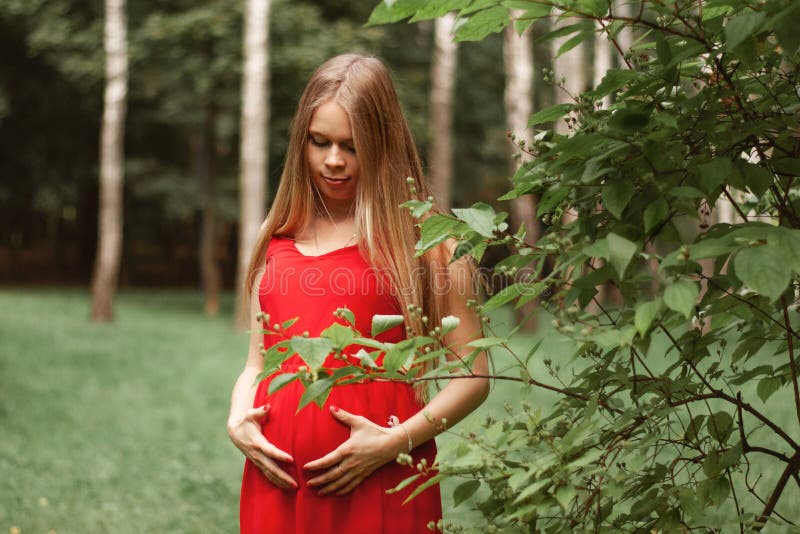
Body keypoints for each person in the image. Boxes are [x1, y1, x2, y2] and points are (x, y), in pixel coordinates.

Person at [226, 54, 490, 534]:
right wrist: (238, 416)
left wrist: (395, 442)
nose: (333, 160)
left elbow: (474, 377)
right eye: (319, 141)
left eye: (352, 145)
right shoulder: (277, 234)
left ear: (384, 143)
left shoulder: (427, 241)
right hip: (279, 484)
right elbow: (257, 363)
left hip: (382, 482)